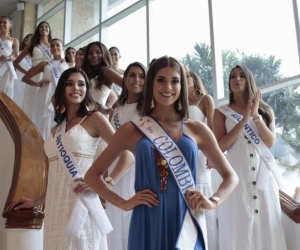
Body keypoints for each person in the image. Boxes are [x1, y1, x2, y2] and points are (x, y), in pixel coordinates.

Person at [85, 56, 239, 250]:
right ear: (151, 84)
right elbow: (92, 175)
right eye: (161, 80)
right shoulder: (133, 129)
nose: (168, 87)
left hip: (186, 219)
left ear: (182, 85)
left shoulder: (197, 129)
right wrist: (123, 203)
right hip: (146, 220)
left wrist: (213, 201)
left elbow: (230, 176)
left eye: (175, 81)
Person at [8, 67, 117, 250]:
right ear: (62, 90)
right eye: (69, 84)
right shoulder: (55, 130)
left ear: (87, 90)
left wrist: (105, 183)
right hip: (55, 206)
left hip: (80, 202)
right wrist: (36, 201)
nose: (76, 88)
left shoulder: (95, 119)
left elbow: (125, 153)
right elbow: (55, 173)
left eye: (81, 84)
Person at [213, 65, 287, 250]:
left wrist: (255, 116)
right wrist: (243, 120)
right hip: (237, 178)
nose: (237, 79)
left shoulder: (265, 109)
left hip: (263, 178)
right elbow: (220, 145)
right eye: (232, 76)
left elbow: (269, 142)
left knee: (266, 223)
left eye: (241, 76)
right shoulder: (221, 112)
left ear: (249, 80)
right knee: (239, 225)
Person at [106, 62, 147, 250]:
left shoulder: (148, 109)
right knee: (115, 220)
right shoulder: (116, 110)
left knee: (133, 220)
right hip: (115, 168)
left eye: (141, 76)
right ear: (125, 79)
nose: (136, 80)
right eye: (132, 75)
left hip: (138, 168)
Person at [186, 70, 219, 250]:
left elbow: (212, 126)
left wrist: (212, 153)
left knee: (201, 187)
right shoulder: (178, 102)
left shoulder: (205, 99)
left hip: (200, 152)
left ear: (195, 79)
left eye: (187, 77)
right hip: (182, 152)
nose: (185, 80)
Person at [22, 38, 69, 139]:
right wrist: (37, 84)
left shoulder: (68, 64)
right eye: (52, 46)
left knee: (58, 119)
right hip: (45, 93)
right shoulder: (45, 63)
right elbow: (25, 78)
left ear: (62, 48)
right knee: (44, 119)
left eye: (57, 45)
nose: (54, 47)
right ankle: (42, 143)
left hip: (60, 93)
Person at [13, 21, 52, 125]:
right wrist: (27, 73)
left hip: (49, 77)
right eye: (41, 27)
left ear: (49, 30)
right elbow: (16, 62)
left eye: (46, 27)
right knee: (32, 104)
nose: (44, 28)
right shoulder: (32, 44)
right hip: (35, 78)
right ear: (38, 30)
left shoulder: (54, 45)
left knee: (46, 104)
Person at [82, 42, 122, 109]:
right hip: (84, 114)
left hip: (97, 115)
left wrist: (110, 109)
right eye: (90, 53)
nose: (94, 55)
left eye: (98, 52)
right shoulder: (89, 72)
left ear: (104, 54)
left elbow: (128, 86)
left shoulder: (106, 71)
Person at [0, 15, 19, 99]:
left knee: (6, 89)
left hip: (7, 68)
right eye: (0, 22)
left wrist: (9, 57)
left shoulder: (14, 40)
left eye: (5, 22)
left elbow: (17, 57)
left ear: (10, 25)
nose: (2, 24)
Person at [13, 34, 33, 108]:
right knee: (17, 97)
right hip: (19, 79)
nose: (28, 39)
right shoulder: (18, 52)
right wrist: (26, 73)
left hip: (30, 79)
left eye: (31, 38)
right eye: (27, 37)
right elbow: (15, 63)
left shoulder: (33, 55)